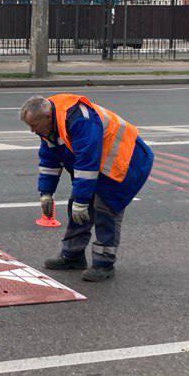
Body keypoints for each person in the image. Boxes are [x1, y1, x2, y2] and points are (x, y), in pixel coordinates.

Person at [19, 94, 154, 281]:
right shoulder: (51, 123)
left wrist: (82, 201)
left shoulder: (80, 119)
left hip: (125, 162)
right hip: (100, 163)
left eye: (34, 125)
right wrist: (46, 193)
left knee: (105, 209)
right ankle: (72, 255)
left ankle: (104, 264)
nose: (32, 131)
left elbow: (86, 162)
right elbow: (50, 159)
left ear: (47, 117)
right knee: (77, 206)